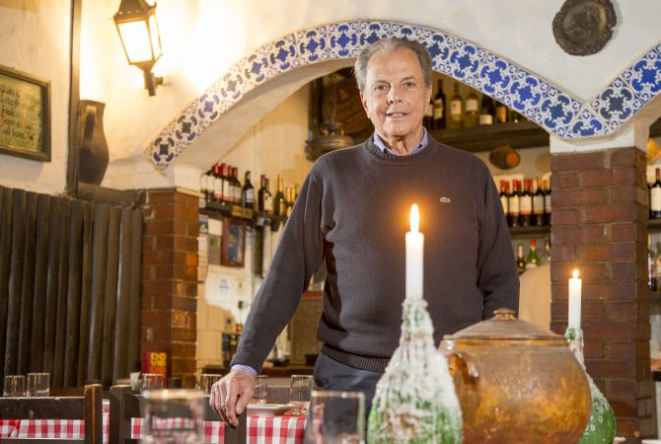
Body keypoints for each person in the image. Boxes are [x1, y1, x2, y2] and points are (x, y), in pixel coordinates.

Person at [209, 37, 519, 428]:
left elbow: (501, 282)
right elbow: (285, 277)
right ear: (364, 99)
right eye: (381, 87)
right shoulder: (330, 174)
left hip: (450, 379)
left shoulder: (470, 174)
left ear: (427, 92)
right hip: (350, 381)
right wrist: (245, 365)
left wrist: (492, 364)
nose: (395, 98)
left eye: (408, 84)